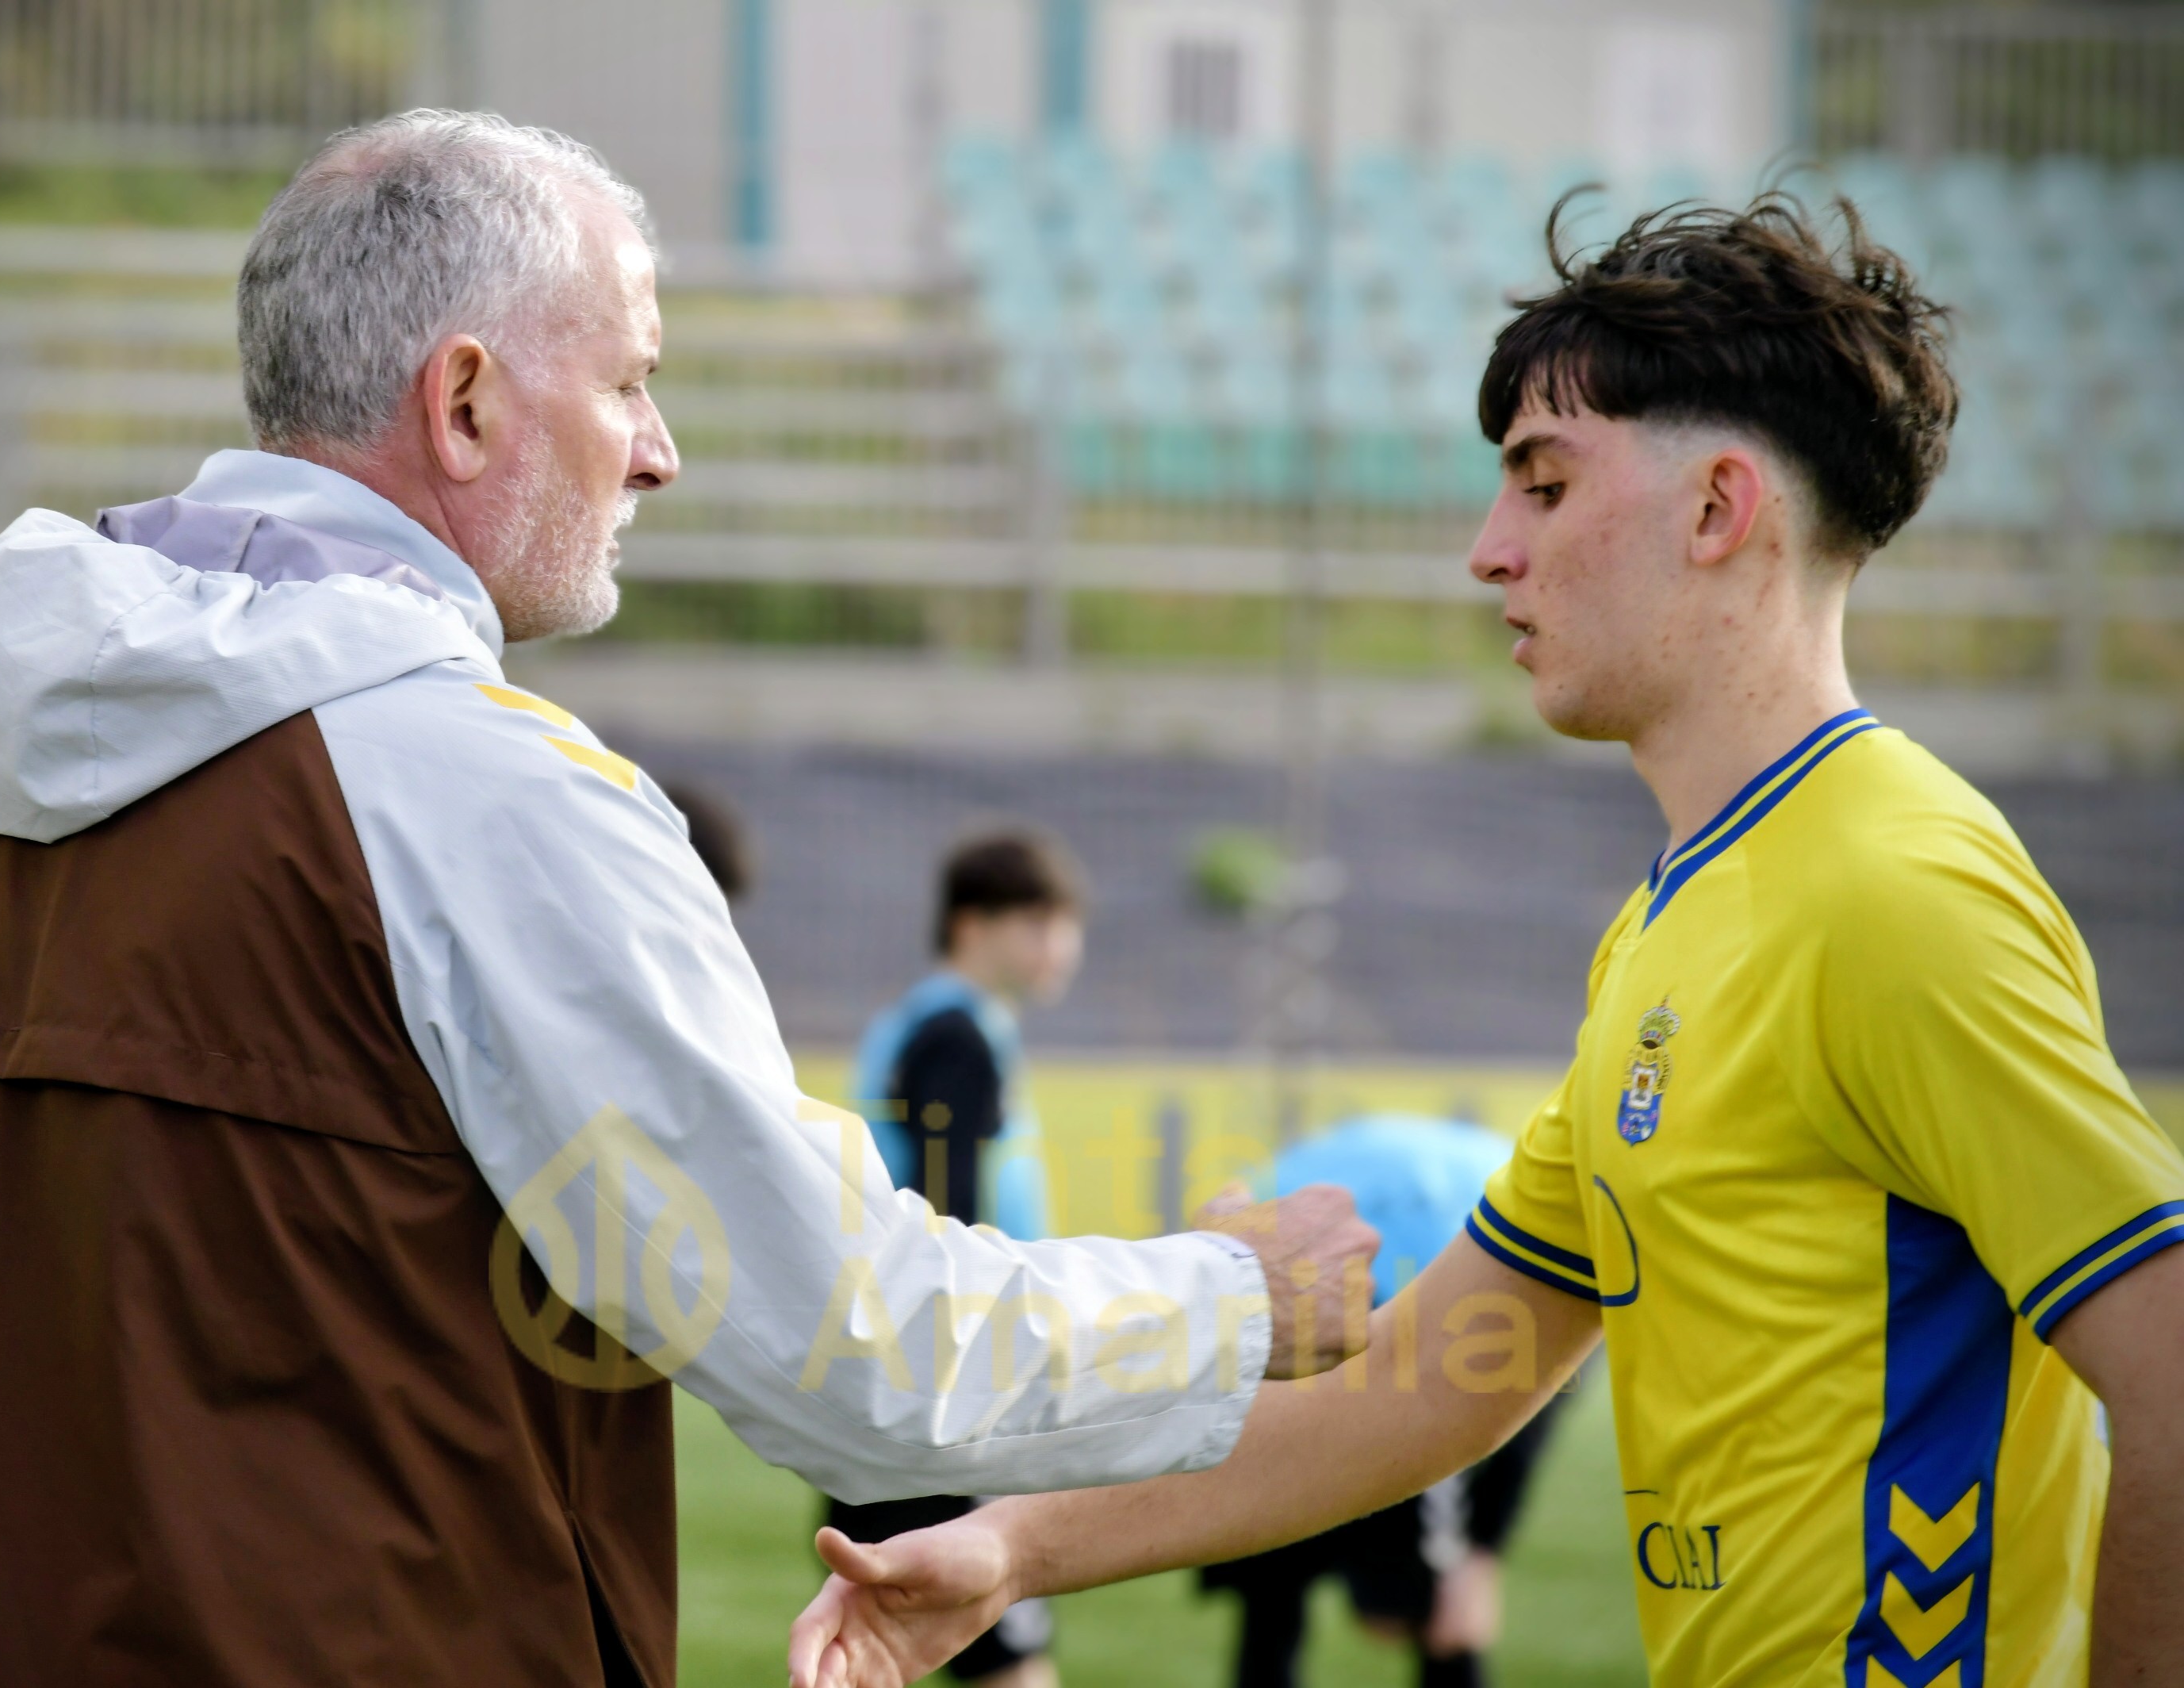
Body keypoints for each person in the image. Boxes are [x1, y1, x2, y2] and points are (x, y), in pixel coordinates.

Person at [0, 111, 1383, 1686]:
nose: (661, 452)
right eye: (633, 380)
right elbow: (848, 1340)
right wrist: (1233, 1297)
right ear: (464, 398)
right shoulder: (485, 791)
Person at [788, 194, 2184, 1688]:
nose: (1486, 550)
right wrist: (1011, 1547)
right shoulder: (1673, 920)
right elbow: (1419, 1387)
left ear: (1719, 509)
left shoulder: (1896, 892)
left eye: (1542, 482)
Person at [825, 831, 1082, 1688]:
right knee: (1005, 1649)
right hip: (939, 1382)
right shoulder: (954, 1038)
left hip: (898, 1375)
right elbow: (947, 1217)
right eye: (1037, 922)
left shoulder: (935, 1022)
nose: (1061, 945)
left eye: (1066, 924)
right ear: (971, 926)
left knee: (865, 1643)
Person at [1197, 1116, 1567, 1688]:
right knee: (1430, 1606)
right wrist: (1475, 1558)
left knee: (1303, 1593)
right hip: (1305, 1293)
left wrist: (1479, 1553)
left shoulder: (1510, 1218)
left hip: (1294, 1283)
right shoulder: (1521, 1220)